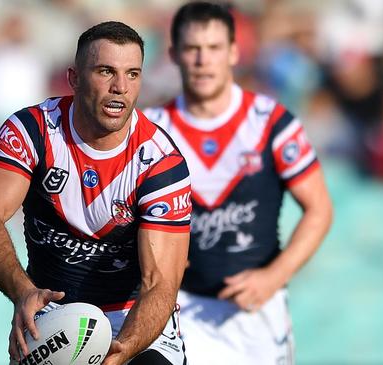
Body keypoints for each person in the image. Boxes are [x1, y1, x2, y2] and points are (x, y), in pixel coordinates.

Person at [0, 21, 192, 365]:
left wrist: (123, 350)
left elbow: (160, 285)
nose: (120, 87)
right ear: (74, 78)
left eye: (132, 74)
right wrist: (22, 292)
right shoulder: (32, 130)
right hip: (52, 314)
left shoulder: (160, 162)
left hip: (132, 320)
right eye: (106, 71)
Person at [143, 2, 333, 364]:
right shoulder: (150, 131)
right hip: (180, 312)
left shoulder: (272, 123)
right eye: (192, 49)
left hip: (258, 317)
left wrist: (274, 276)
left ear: (233, 52)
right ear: (173, 54)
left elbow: (319, 210)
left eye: (214, 48)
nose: (203, 60)